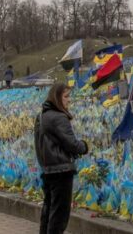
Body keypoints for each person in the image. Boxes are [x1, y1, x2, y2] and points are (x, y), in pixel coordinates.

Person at [34, 83, 88, 234]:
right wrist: (84, 146)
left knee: (48, 211)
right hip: (61, 171)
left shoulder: (41, 116)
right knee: (59, 215)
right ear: (57, 98)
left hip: (48, 170)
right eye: (66, 96)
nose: (68, 100)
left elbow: (38, 146)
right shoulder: (59, 117)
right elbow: (72, 144)